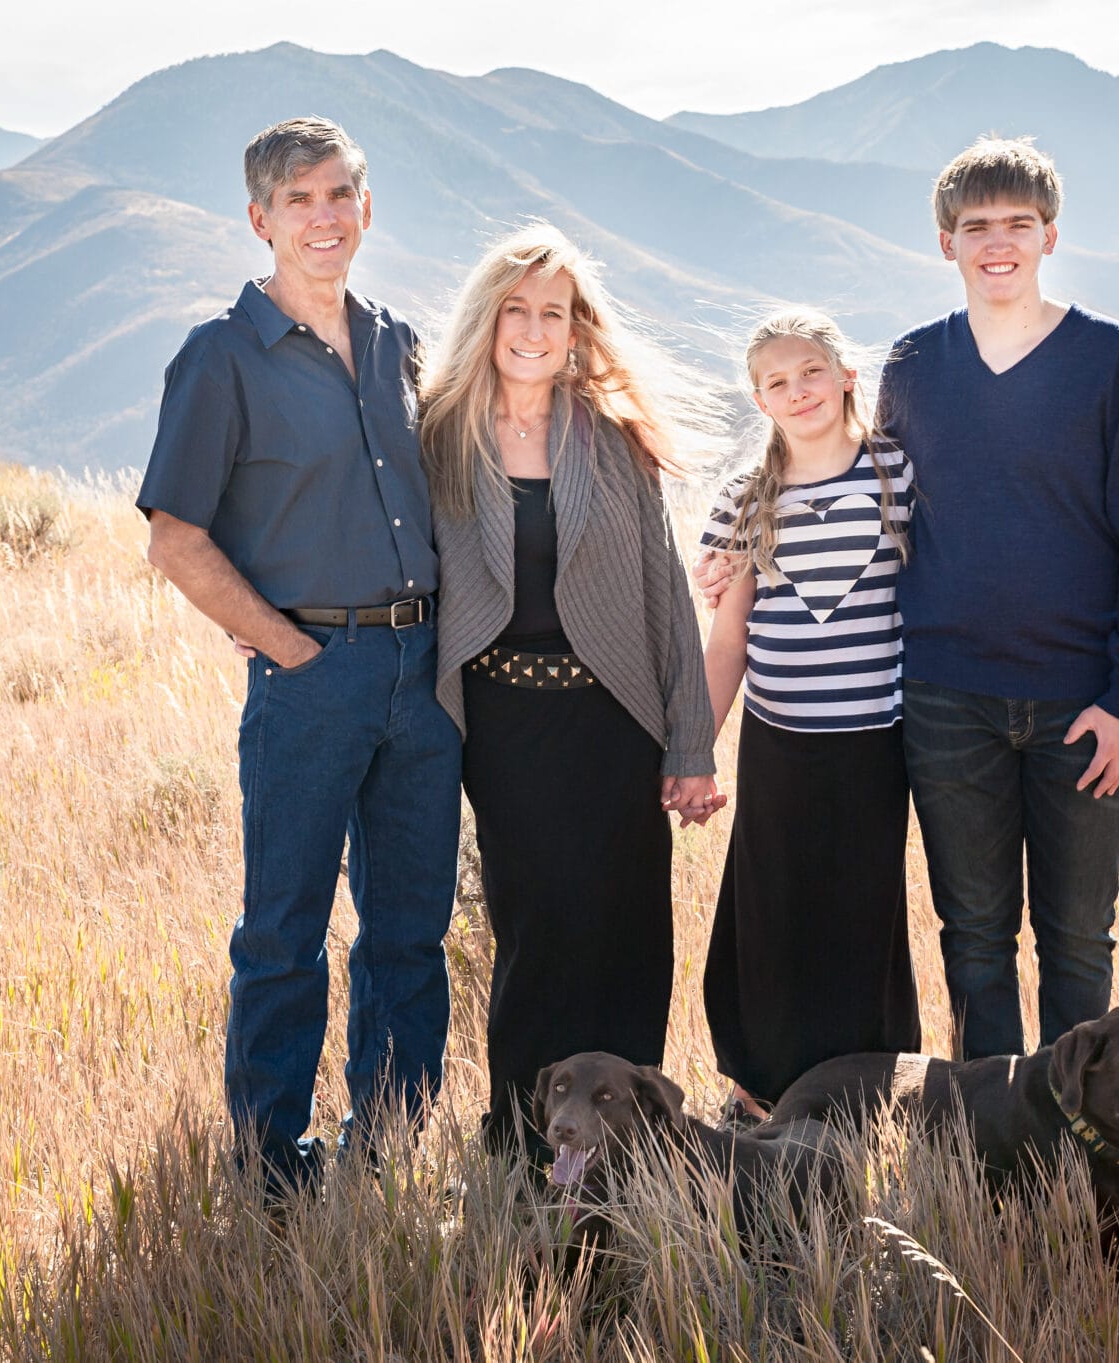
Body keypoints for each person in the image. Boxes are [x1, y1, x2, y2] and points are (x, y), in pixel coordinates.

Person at [697, 136, 1119, 1062]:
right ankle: (992, 1131)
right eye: (977, 227)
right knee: (976, 938)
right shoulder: (916, 366)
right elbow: (843, 472)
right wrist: (736, 551)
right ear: (946, 243)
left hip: (1083, 700)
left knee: (1078, 938)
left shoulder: (1112, 361)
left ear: (1050, 236)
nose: (999, 243)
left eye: (1018, 226)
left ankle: (1081, 1139)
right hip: (946, 701)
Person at [135, 117, 462, 1196]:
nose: (322, 218)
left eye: (338, 197)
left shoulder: (399, 345)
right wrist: (288, 646)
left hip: (423, 676)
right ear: (259, 220)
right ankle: (266, 1167)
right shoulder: (221, 356)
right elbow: (176, 536)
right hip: (312, 678)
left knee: (409, 931)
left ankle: (390, 1149)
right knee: (284, 932)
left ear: (365, 209)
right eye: (298, 201)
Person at [418, 223, 722, 1164]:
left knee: (629, 934)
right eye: (517, 308)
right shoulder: (439, 434)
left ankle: (636, 1148)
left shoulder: (610, 437)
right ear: (487, 318)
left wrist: (690, 743)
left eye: (555, 311)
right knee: (538, 932)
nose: (535, 328)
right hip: (505, 728)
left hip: (613, 722)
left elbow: (665, 595)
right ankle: (521, 1144)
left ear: (577, 329)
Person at [697, 308, 923, 1126]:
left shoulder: (898, 476)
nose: (799, 392)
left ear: (847, 375)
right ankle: (762, 1091)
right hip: (779, 741)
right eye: (777, 382)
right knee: (774, 905)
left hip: (876, 740)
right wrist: (696, 743)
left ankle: (864, 1091)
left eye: (811, 373)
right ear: (758, 400)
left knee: (862, 907)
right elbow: (728, 640)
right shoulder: (746, 501)